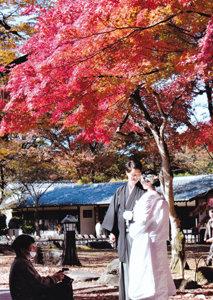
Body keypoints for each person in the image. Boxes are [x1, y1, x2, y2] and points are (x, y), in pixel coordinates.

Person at [123, 170, 176, 300]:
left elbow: (142, 220)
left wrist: (128, 216)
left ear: (147, 180)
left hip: (146, 240)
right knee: (159, 270)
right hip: (159, 240)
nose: (141, 181)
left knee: (146, 270)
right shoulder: (160, 198)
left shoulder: (148, 197)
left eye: (142, 179)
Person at [102, 158, 145, 300]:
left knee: (138, 266)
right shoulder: (120, 191)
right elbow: (113, 212)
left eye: (138, 174)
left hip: (138, 235)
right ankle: (126, 297)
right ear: (126, 173)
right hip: (123, 236)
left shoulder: (144, 191)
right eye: (133, 174)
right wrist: (112, 232)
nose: (135, 177)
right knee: (125, 265)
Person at [9, 234, 73, 300]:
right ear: (22, 250)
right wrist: (56, 278)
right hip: (29, 297)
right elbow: (40, 283)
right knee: (64, 287)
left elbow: (37, 281)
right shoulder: (22, 263)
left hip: (29, 295)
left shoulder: (21, 261)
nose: (35, 248)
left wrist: (54, 277)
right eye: (32, 246)